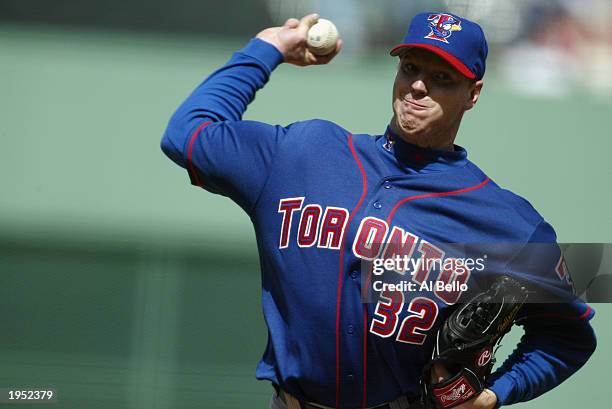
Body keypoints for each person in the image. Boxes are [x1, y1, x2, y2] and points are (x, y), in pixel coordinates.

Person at [161, 11, 596, 409]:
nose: (419, 85)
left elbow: (567, 338)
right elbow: (186, 134)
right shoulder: (302, 153)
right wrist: (268, 47)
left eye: (442, 76)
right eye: (411, 68)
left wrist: (494, 395)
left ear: (472, 94)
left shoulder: (511, 224)